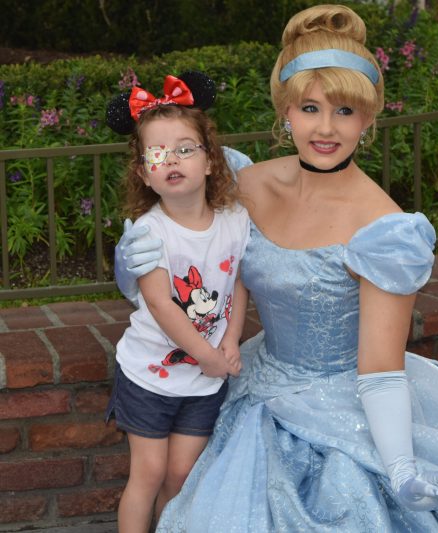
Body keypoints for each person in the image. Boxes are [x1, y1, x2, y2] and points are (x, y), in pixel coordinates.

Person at [115, 5, 438, 532]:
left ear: (368, 119)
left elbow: (381, 372)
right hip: (251, 376)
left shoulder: (384, 231)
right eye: (310, 108)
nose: (326, 128)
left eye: (345, 111)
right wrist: (130, 265)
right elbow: (191, 260)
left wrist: (401, 466)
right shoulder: (245, 184)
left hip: (345, 403)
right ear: (286, 111)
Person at [105, 71, 250, 533]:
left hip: (205, 379)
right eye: (157, 153)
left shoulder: (235, 219)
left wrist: (230, 339)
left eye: (185, 149)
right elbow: (162, 305)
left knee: (181, 475)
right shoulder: (151, 232)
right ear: (144, 173)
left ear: (210, 161)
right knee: (148, 473)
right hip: (150, 374)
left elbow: (239, 282)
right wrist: (207, 354)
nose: (171, 159)